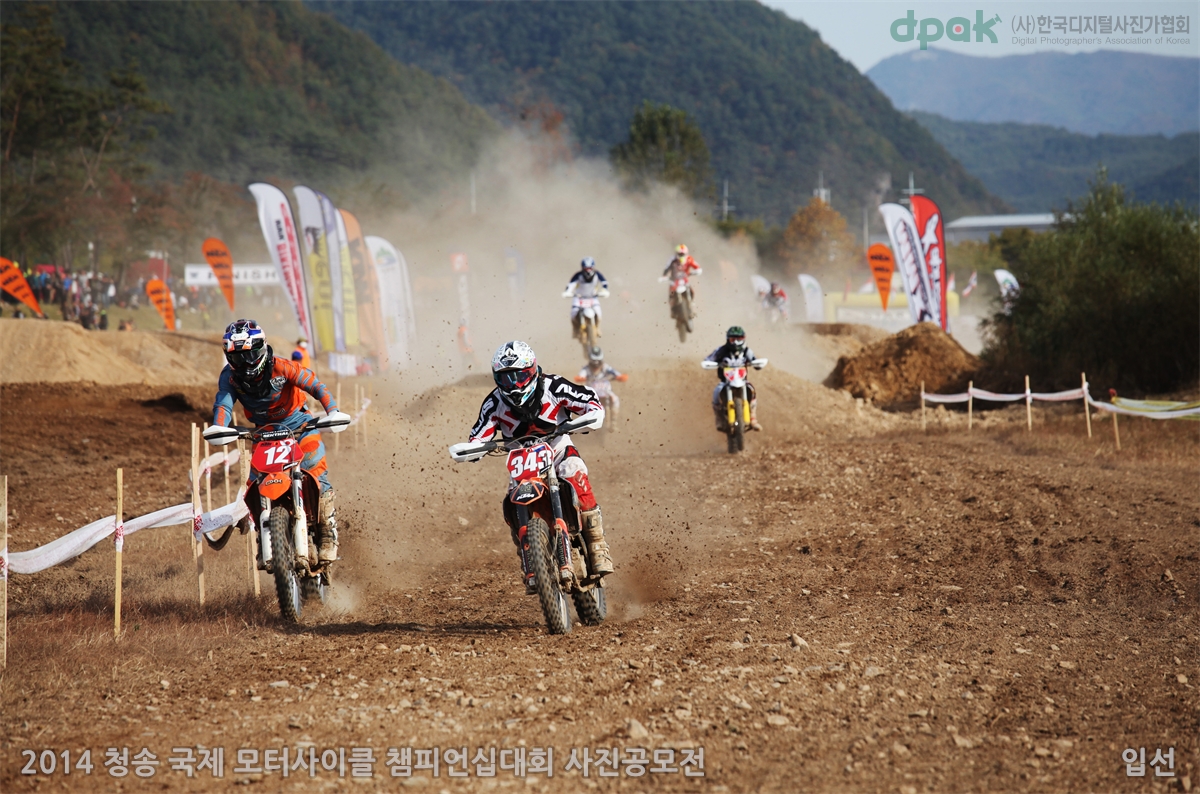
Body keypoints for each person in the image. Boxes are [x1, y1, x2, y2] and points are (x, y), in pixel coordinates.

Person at [467, 340, 614, 591]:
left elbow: (588, 399)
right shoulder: (494, 403)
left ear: (533, 370)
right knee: (511, 500)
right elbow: (479, 433)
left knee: (574, 471)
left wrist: (592, 413)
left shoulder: (553, 386)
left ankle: (597, 543)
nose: (514, 385)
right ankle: (529, 556)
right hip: (522, 461)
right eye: (506, 379)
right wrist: (474, 448)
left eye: (520, 376)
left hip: (556, 448)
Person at [208, 320, 350, 562]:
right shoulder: (230, 377)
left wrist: (333, 412)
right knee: (254, 482)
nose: (245, 363)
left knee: (315, 470)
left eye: (250, 355)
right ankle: (263, 535)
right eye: (238, 358)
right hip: (264, 433)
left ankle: (327, 531)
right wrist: (219, 427)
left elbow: (315, 385)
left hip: (299, 426)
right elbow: (224, 402)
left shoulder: (283, 367)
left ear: (262, 349)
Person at [705, 325, 763, 431]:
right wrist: (711, 363)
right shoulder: (722, 350)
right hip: (725, 382)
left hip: (742, 381)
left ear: (743, 339)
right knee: (716, 393)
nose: (736, 342)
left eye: (739, 339)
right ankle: (719, 419)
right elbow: (709, 359)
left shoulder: (746, 351)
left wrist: (757, 364)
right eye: (733, 339)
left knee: (752, 391)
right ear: (728, 339)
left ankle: (753, 419)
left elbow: (754, 360)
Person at [562, 257, 609, 340]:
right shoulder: (578, 275)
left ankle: (597, 328)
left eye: (590, 268)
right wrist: (567, 292)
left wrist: (604, 290)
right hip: (579, 298)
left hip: (592, 297)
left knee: (599, 313)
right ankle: (575, 330)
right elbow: (571, 284)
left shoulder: (597, 274)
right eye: (586, 268)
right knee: (573, 314)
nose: (588, 271)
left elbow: (604, 283)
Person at [574, 347, 628, 419]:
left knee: (615, 399)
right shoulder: (586, 369)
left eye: (598, 361)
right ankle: (586, 419)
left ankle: (614, 420)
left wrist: (619, 377)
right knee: (584, 403)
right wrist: (581, 378)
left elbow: (615, 372)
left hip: (606, 391)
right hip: (593, 393)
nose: (596, 364)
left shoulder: (605, 367)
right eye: (594, 361)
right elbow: (580, 376)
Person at [662, 244, 702, 316]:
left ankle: (691, 305)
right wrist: (664, 276)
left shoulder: (689, 259)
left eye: (683, 254)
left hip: (684, 280)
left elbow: (697, 266)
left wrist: (696, 271)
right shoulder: (672, 259)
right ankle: (672, 310)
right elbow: (666, 268)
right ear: (676, 253)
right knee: (671, 295)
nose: (681, 256)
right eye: (680, 254)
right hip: (674, 280)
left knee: (691, 291)